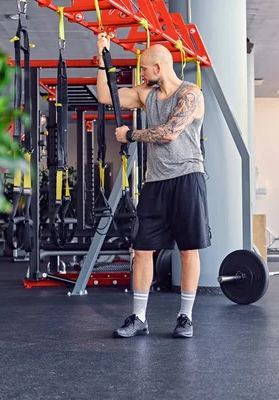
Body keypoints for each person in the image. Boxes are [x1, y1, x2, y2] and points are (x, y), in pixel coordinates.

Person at [95, 33, 211, 339]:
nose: (141, 74)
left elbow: (171, 132)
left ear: (159, 68)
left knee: (188, 250)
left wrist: (131, 135)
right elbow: (106, 96)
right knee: (142, 249)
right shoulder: (146, 95)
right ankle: (139, 317)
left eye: (144, 69)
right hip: (156, 182)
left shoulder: (191, 95)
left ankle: (185, 317)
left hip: (188, 178)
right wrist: (101, 55)